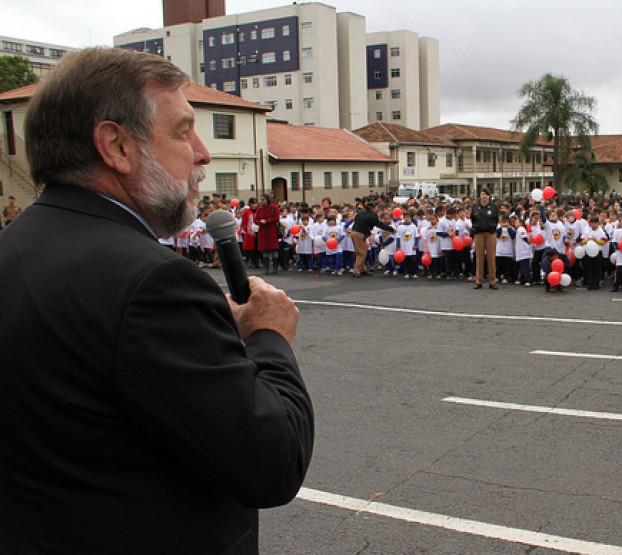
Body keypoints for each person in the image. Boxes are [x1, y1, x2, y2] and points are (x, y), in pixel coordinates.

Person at [0, 47, 314, 553]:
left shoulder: (13, 247)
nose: (203, 152)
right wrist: (269, 337)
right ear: (116, 146)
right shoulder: (152, 282)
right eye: (181, 130)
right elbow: (273, 463)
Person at [350, 201, 394, 277]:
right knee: (362, 253)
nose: (376, 208)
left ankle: (363, 269)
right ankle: (356, 271)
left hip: (355, 232)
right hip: (360, 233)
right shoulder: (372, 215)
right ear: (372, 208)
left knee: (361, 251)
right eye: (375, 207)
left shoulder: (361, 212)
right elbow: (380, 224)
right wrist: (391, 229)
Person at [471, 188, 499, 289]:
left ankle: (492, 281)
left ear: (489, 196)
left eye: (486, 194)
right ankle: (479, 281)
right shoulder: (475, 207)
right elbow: (473, 219)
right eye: (482, 194)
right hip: (479, 233)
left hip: (490, 233)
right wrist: (475, 229)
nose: (484, 196)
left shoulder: (493, 206)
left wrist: (492, 228)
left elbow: (496, 219)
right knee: (479, 257)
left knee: (491, 258)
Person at [255, 193, 281, 274]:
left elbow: (276, 218)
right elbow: (255, 219)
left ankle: (275, 268)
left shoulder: (274, 207)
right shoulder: (259, 209)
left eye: (263, 199)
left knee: (273, 250)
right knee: (264, 250)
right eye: (261, 199)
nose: (262, 201)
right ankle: (266, 269)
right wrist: (260, 222)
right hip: (262, 231)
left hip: (271, 230)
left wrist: (267, 221)